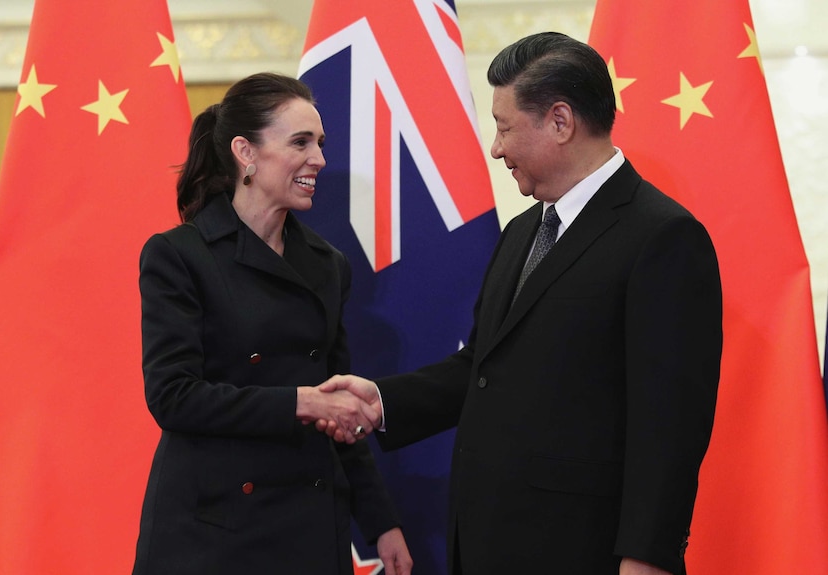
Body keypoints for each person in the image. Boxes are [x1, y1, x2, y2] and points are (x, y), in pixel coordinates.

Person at [318, 32, 722, 575]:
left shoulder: (663, 237)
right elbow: (484, 367)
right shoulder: (523, 230)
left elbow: (669, 430)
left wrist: (646, 560)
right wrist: (381, 403)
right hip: (487, 544)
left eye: (505, 127)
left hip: (583, 551)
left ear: (560, 121)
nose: (495, 147)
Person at [132, 72, 412, 575]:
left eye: (320, 143)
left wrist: (380, 522)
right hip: (212, 533)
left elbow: (339, 402)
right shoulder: (179, 255)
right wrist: (301, 402)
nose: (320, 159)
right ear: (246, 152)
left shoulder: (327, 264)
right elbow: (173, 396)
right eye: (300, 142)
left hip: (306, 526)